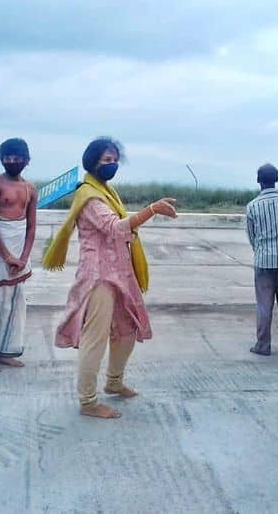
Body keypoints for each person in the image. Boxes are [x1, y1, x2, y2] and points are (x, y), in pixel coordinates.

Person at [43, 137, 177, 419]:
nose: (112, 164)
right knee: (96, 339)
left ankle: (114, 381)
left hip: (119, 272)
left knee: (127, 329)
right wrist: (151, 210)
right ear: (92, 162)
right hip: (99, 277)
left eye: (115, 160)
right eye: (106, 160)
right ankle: (88, 401)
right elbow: (114, 228)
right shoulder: (89, 196)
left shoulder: (106, 190)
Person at [0, 138, 37, 371]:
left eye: (17, 158)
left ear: (26, 160)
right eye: (7, 157)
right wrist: (6, 256)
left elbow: (31, 226)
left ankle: (7, 351)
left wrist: (22, 257)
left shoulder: (30, 188)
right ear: (1, 159)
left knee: (15, 301)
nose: (12, 161)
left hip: (19, 249)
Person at [246, 164, 278, 356]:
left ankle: (263, 345)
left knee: (264, 306)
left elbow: (251, 236)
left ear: (258, 180)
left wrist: (261, 251)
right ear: (276, 179)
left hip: (263, 262)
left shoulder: (252, 206)